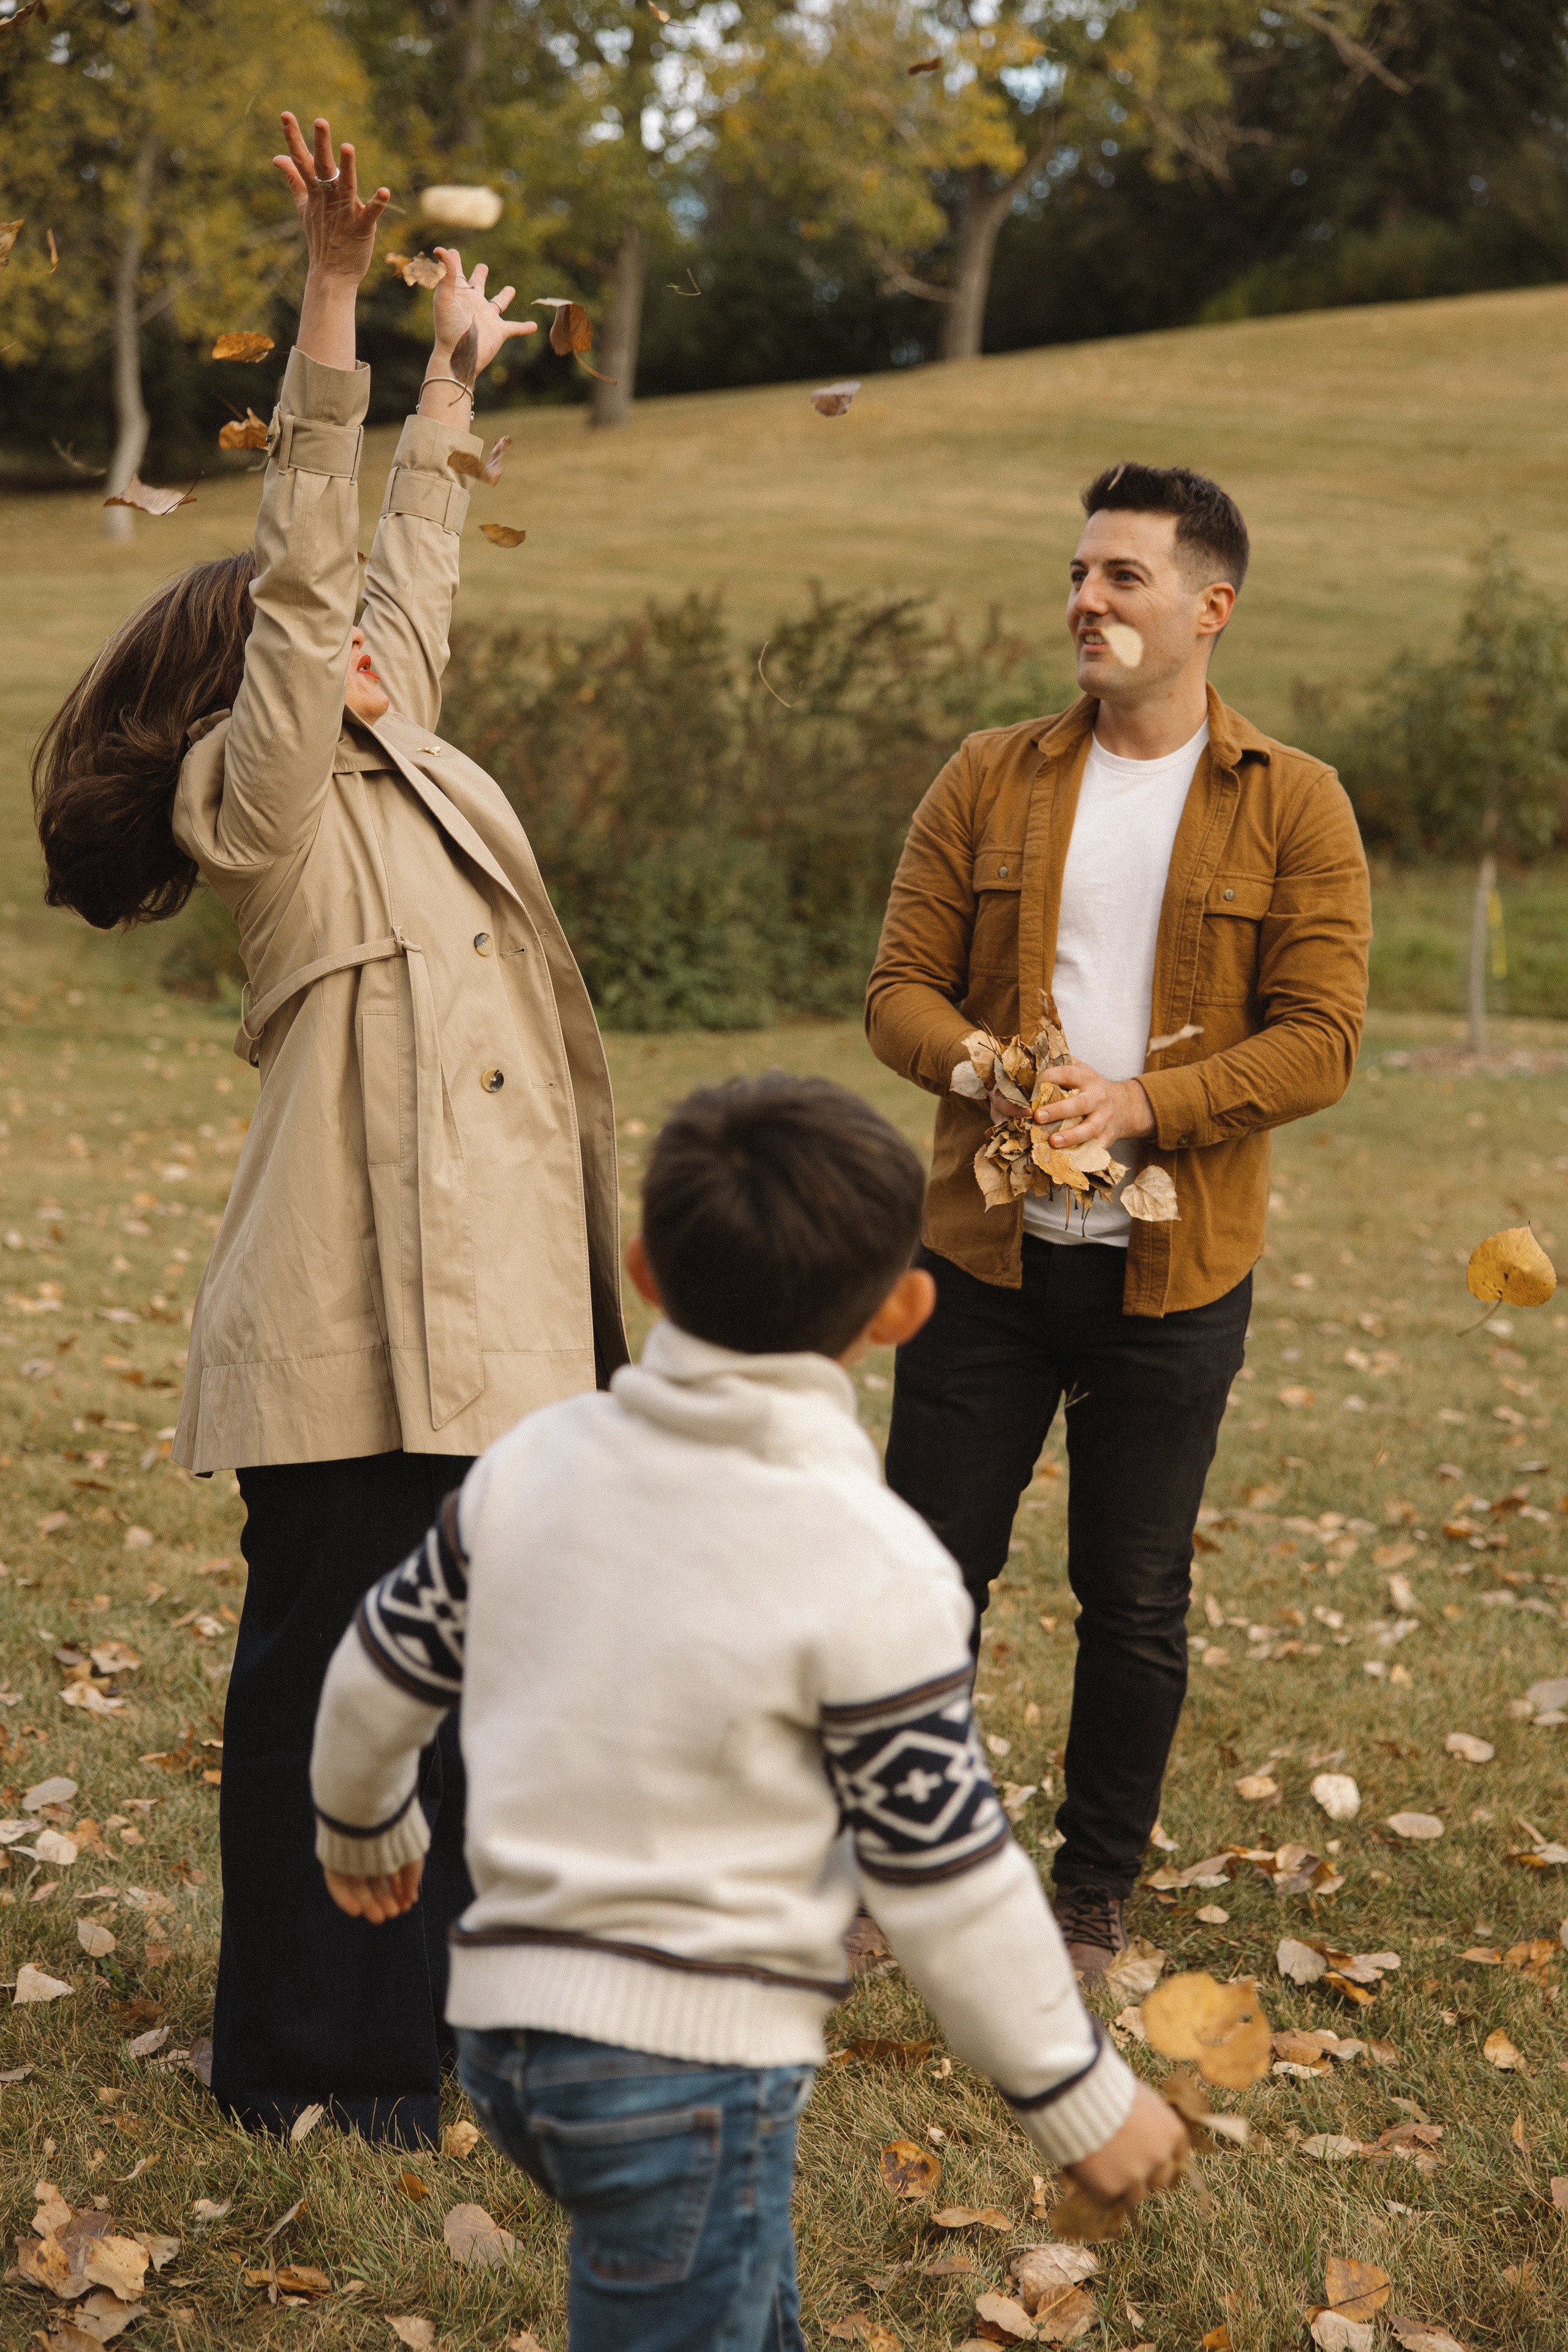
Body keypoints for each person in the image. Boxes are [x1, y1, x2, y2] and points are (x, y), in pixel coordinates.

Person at [31, 112, 627, 2143]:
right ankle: (306, 2060)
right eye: (321, 643)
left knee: (467, 1708)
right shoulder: (263, 802)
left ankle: (432, 2041)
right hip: (350, 1327)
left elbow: (402, 569)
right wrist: (334, 300)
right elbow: (313, 590)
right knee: (322, 1699)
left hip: (497, 1324)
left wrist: (459, 381)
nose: (367, 631)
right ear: (256, 689)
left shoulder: (410, 754)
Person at [308, 1074, 1189, 2351]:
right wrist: (1073, 2094)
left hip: (505, 2032)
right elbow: (943, 1873)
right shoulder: (870, 1565)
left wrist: (362, 1824)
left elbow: (378, 1668)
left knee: (721, 2289)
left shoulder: (530, 1467)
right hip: (681, 2074)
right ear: (900, 1309)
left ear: (641, 1268)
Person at [865, 464, 1370, 1978]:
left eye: (1121, 579)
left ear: (1208, 608)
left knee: (1131, 1597)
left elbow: (1322, 1035)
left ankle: (1088, 1897)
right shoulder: (986, 774)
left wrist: (1144, 1108)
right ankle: (905, 1880)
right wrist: (994, 1072)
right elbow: (896, 993)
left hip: (1175, 1269)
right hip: (979, 1258)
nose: (1084, 601)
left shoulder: (1293, 802)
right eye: (1078, 574)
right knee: (920, 1581)